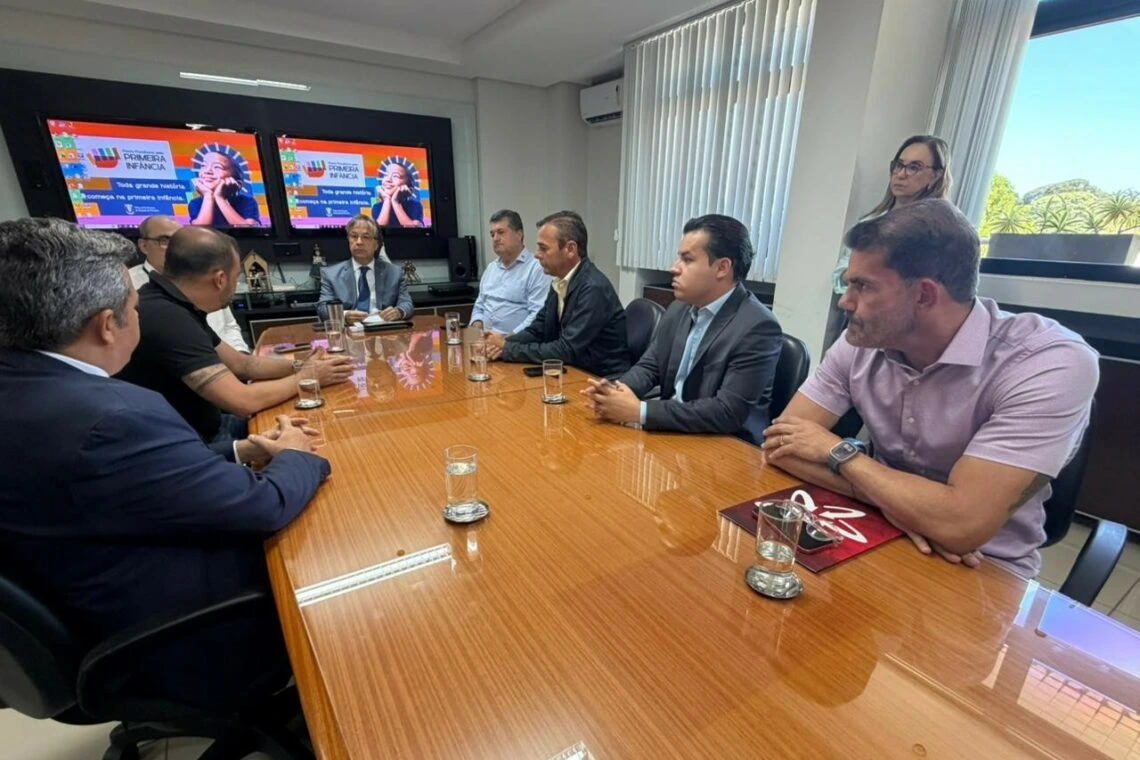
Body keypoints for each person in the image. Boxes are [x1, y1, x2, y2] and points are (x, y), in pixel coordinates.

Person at [0, 217, 329, 708]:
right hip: (178, 633)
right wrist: (298, 454)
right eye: (134, 308)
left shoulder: (24, 387)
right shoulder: (114, 415)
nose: (141, 315)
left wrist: (243, 450)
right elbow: (262, 507)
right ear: (106, 326)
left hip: (81, 603)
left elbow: (128, 477)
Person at [762, 199, 1098, 578]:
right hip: (872, 529)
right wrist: (894, 504)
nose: (845, 301)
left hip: (981, 568)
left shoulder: (1047, 362)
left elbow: (961, 527)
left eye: (862, 286)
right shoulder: (863, 341)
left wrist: (838, 454)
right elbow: (780, 447)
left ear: (924, 295)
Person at [118, 226, 353, 444]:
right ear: (220, 279)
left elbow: (242, 364)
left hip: (211, 425)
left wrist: (302, 366)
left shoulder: (174, 302)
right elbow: (243, 401)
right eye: (237, 276)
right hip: (195, 445)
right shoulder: (168, 318)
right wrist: (309, 377)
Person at [582, 215, 782, 444]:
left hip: (725, 446)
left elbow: (727, 411)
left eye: (687, 260)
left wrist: (641, 411)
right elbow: (650, 366)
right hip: (674, 432)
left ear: (722, 267)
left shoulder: (758, 327)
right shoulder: (679, 308)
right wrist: (615, 393)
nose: (674, 268)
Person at [485, 211, 629, 378]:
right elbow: (538, 330)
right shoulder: (559, 281)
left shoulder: (593, 288)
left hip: (601, 379)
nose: (537, 254)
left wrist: (508, 349)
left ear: (570, 249)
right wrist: (501, 344)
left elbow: (566, 350)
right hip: (574, 371)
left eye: (543, 248)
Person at [832, 135, 952, 296]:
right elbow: (840, 275)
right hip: (861, 305)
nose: (901, 174)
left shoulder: (941, 233)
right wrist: (863, 276)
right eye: (899, 165)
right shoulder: (871, 222)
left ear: (936, 176)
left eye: (914, 167)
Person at [130, 215, 250, 352]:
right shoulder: (129, 285)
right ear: (143, 246)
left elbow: (228, 326)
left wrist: (241, 352)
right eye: (165, 240)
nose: (175, 248)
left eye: (181, 242)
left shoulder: (206, 277)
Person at [317, 215, 413, 324]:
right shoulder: (331, 274)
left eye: (366, 237)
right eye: (354, 236)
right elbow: (322, 308)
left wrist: (399, 312)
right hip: (349, 330)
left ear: (376, 244)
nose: (359, 242)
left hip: (383, 328)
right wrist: (344, 315)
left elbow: (407, 304)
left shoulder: (395, 273)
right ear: (348, 240)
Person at [469, 210, 548, 335]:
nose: (495, 239)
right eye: (492, 234)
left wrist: (507, 339)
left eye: (501, 232)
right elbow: (479, 307)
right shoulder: (491, 268)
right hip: (484, 340)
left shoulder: (537, 268)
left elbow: (537, 315)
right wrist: (477, 325)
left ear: (519, 234)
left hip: (515, 342)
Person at [188, 144, 261, 228]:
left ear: (234, 180)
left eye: (217, 167)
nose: (207, 171)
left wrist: (219, 197)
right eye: (204, 165)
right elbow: (200, 231)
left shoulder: (247, 202)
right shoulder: (196, 203)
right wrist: (208, 195)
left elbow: (248, 230)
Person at [371, 158, 424, 228]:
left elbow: (413, 229)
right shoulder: (377, 207)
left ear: (408, 186)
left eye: (395, 176)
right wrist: (387, 200)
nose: (388, 179)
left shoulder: (415, 205)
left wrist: (396, 202)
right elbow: (378, 230)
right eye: (386, 175)